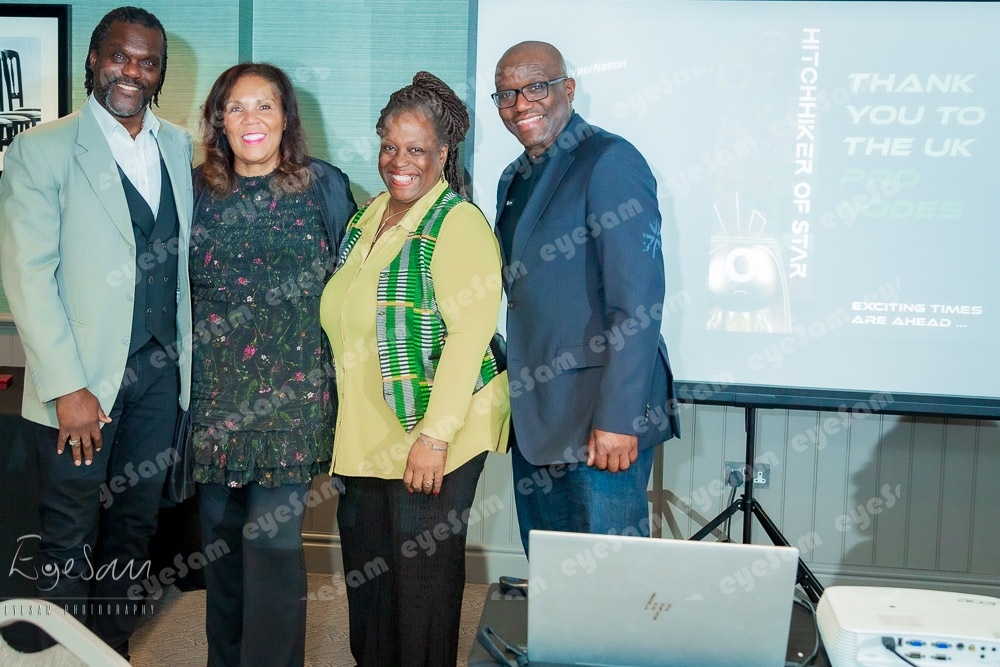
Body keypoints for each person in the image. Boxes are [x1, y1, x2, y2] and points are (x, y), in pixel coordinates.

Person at [0, 6, 193, 658]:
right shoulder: (42, 149)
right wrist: (67, 387)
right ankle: (62, 657)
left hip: (160, 377)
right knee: (69, 535)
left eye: (147, 61)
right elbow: (28, 276)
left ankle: (110, 650)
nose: (132, 71)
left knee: (135, 527)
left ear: (160, 73)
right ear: (93, 59)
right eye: (119, 56)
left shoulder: (177, 147)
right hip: (79, 383)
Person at [321, 71, 509, 667]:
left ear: (444, 153)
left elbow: (469, 338)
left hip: (430, 433)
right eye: (390, 147)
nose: (399, 163)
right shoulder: (368, 216)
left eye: (417, 150)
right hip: (365, 432)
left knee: (420, 590)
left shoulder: (458, 222)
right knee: (371, 583)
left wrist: (434, 438)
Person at [190, 62, 356, 667]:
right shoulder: (194, 190)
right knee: (221, 552)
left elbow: (354, 281)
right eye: (236, 107)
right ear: (219, 120)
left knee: (274, 548)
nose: (251, 119)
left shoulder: (324, 186)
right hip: (215, 402)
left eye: (265, 105)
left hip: (294, 401)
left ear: (287, 117)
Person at [492, 41, 681, 555]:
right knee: (553, 574)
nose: (521, 104)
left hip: (601, 420)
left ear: (568, 89)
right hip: (540, 415)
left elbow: (637, 302)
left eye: (536, 87)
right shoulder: (514, 177)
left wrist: (618, 419)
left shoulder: (610, 160)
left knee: (609, 579)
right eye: (506, 94)